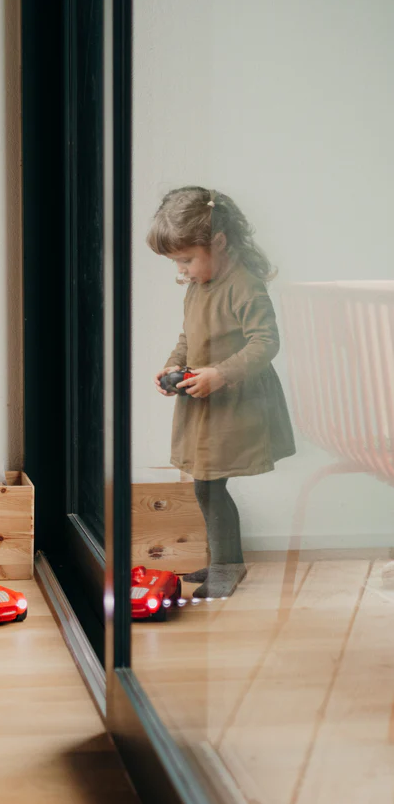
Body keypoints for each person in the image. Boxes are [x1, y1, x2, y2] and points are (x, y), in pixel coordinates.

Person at [149, 186, 295, 598]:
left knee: (209, 486)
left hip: (236, 404)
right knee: (206, 485)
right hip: (205, 401)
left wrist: (221, 374)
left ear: (218, 242)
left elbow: (266, 342)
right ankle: (224, 562)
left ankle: (226, 566)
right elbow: (188, 335)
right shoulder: (198, 286)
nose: (183, 271)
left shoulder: (244, 285)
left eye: (187, 259)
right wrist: (174, 364)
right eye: (177, 262)